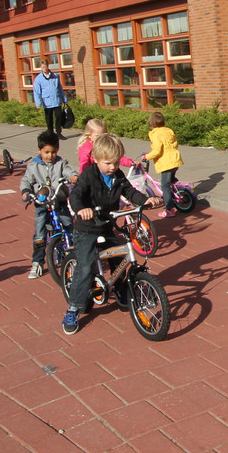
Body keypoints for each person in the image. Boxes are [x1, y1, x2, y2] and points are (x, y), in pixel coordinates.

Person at [62, 134, 159, 334]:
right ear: (96, 159)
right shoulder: (89, 175)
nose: (113, 167)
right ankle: (73, 308)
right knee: (85, 266)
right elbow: (76, 195)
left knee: (119, 258)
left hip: (106, 225)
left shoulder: (118, 176)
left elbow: (130, 192)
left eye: (116, 162)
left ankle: (120, 289)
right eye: (108, 163)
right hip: (87, 228)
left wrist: (145, 201)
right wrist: (81, 209)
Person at [20, 131, 77, 280]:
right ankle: (37, 262)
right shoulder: (33, 166)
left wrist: (73, 176)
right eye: (46, 152)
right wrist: (26, 191)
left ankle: (75, 256)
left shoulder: (60, 163)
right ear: (39, 150)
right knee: (40, 233)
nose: (50, 155)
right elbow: (26, 180)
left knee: (69, 227)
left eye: (53, 152)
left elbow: (68, 171)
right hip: (42, 204)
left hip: (59, 202)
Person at [143, 111, 182, 219]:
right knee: (172, 180)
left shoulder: (156, 134)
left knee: (164, 185)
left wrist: (146, 156)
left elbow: (157, 151)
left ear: (151, 123)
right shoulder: (168, 131)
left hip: (166, 163)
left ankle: (169, 209)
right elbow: (175, 144)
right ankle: (181, 192)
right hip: (175, 160)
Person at [32, 61, 68, 138]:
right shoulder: (38, 78)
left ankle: (59, 133)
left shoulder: (55, 76)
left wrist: (64, 99)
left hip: (56, 100)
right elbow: (36, 92)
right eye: (43, 67)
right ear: (41, 67)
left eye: (45, 67)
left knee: (58, 117)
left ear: (48, 66)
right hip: (47, 102)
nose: (44, 69)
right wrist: (38, 103)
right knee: (49, 119)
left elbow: (60, 88)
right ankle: (50, 133)